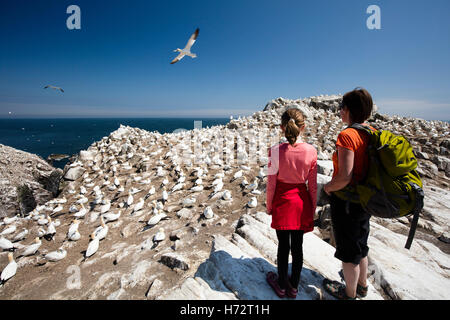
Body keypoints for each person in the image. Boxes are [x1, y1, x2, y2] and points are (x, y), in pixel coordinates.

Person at [322, 87, 374, 300]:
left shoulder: (347, 135)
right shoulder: (370, 132)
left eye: (341, 107)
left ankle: (349, 294)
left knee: (349, 253)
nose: (339, 111)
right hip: (366, 200)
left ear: (350, 109)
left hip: (347, 203)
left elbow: (345, 176)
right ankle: (362, 286)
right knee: (361, 246)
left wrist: (327, 188)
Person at [266, 108, 317, 299]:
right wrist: (312, 209)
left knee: (282, 246)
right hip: (301, 203)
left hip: (282, 201)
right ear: (303, 127)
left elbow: (271, 184)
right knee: (298, 247)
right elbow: (312, 186)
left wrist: (269, 206)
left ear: (282, 128)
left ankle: (280, 284)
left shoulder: (275, 151)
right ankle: (294, 287)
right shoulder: (311, 151)